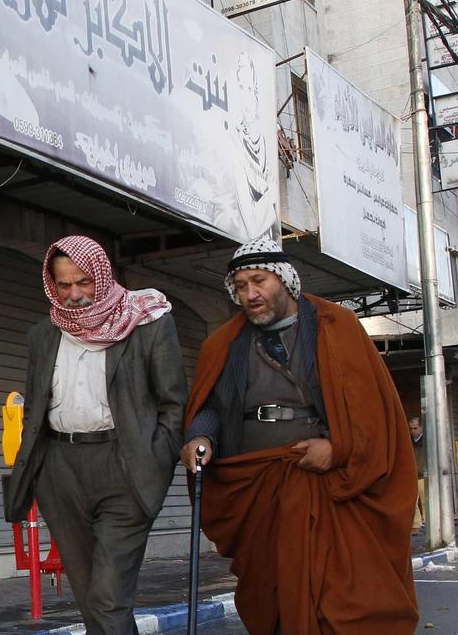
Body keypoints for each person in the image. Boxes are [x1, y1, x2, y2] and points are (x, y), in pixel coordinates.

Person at [179, 239, 418, 634]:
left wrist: (338, 449)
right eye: (240, 286)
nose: (250, 294)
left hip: (330, 487)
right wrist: (201, 437)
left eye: (259, 280)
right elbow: (211, 406)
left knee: (347, 601)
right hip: (260, 489)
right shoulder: (222, 344)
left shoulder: (337, 326)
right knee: (272, 597)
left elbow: (372, 413)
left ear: (285, 279)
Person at [4, 235, 188, 635]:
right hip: (61, 471)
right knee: (90, 598)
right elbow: (37, 408)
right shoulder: (43, 335)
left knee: (108, 596)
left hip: (125, 466)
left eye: (83, 282)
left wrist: (155, 460)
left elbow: (174, 404)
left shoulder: (146, 324)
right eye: (63, 284)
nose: (73, 294)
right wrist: (39, 473)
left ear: (102, 276)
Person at [410, 416, 427, 533]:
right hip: (413, 476)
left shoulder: (427, 441)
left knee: (426, 501)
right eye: (411, 429)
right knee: (413, 501)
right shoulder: (408, 441)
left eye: (415, 428)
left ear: (421, 427)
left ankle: (426, 521)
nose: (413, 431)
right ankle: (416, 525)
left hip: (424, 475)